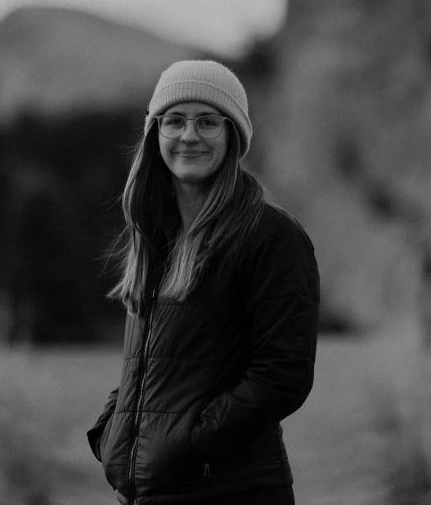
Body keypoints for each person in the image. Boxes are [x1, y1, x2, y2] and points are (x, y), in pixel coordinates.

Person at [87, 60, 320, 505]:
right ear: (155, 134)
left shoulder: (270, 235)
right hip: (149, 493)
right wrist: (113, 433)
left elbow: (283, 373)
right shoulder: (155, 236)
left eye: (208, 121)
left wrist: (190, 443)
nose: (189, 135)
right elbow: (149, 363)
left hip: (231, 491)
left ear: (233, 136)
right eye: (174, 120)